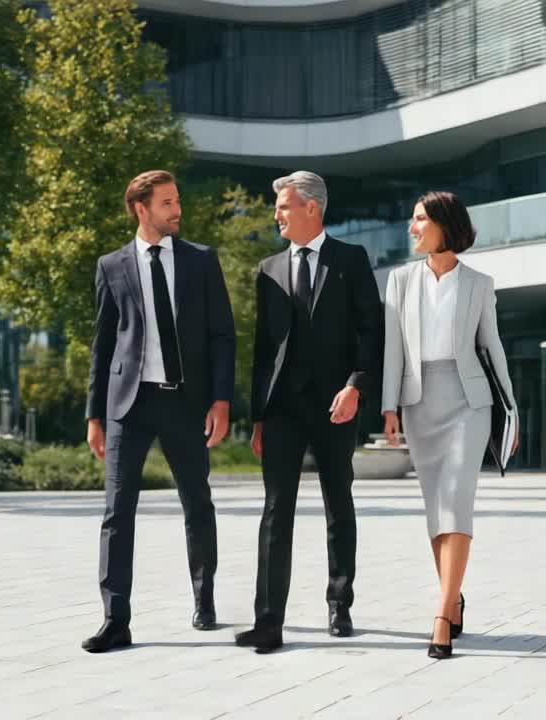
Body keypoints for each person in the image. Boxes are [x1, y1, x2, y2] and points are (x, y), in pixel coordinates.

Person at [81, 170, 236, 653]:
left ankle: (204, 599)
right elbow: (102, 344)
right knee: (116, 511)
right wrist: (94, 414)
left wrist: (221, 399)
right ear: (140, 208)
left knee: (197, 502)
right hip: (128, 403)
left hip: (185, 401)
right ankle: (115, 620)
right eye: (166, 203)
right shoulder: (112, 265)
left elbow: (221, 334)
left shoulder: (200, 261)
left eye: (177, 202)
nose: (176, 210)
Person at [235, 171, 383, 654]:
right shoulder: (268, 268)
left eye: (283, 206)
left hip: (334, 404)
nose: (276, 214)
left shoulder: (351, 260)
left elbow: (370, 332)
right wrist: (257, 416)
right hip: (281, 408)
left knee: (338, 502)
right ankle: (268, 621)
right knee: (276, 511)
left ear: (311, 208)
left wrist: (356, 387)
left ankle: (340, 603)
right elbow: (262, 350)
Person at [380, 191, 518, 659]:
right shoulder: (399, 281)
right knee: (435, 507)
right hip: (419, 403)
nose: (411, 227)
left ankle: (441, 614)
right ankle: (453, 596)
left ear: (444, 224)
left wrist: (511, 412)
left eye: (419, 219)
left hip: (469, 401)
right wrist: (389, 407)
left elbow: (493, 347)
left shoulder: (480, 283)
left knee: (457, 498)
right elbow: (392, 350)